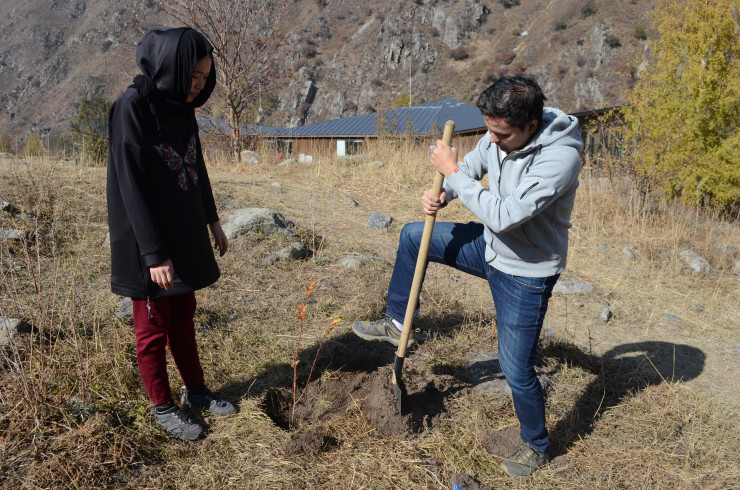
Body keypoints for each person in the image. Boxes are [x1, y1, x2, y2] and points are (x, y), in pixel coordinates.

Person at [352, 76, 583, 477]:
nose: (491, 139)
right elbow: (473, 166)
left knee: (515, 369)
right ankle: (397, 322)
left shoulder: (560, 158)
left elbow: (504, 216)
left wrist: (453, 172)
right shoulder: (500, 136)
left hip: (525, 272)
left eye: (500, 134)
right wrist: (445, 192)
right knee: (413, 236)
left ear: (531, 125)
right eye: (489, 130)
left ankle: (536, 445)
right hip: (488, 248)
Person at [107, 27, 236, 441]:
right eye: (193, 75)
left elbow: (196, 167)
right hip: (146, 241)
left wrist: (212, 219)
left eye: (205, 78)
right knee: (152, 326)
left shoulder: (182, 107)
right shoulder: (131, 107)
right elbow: (130, 187)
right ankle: (162, 406)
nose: (198, 85)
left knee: (183, 316)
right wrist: (153, 254)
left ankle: (195, 391)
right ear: (171, 67)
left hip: (183, 232)